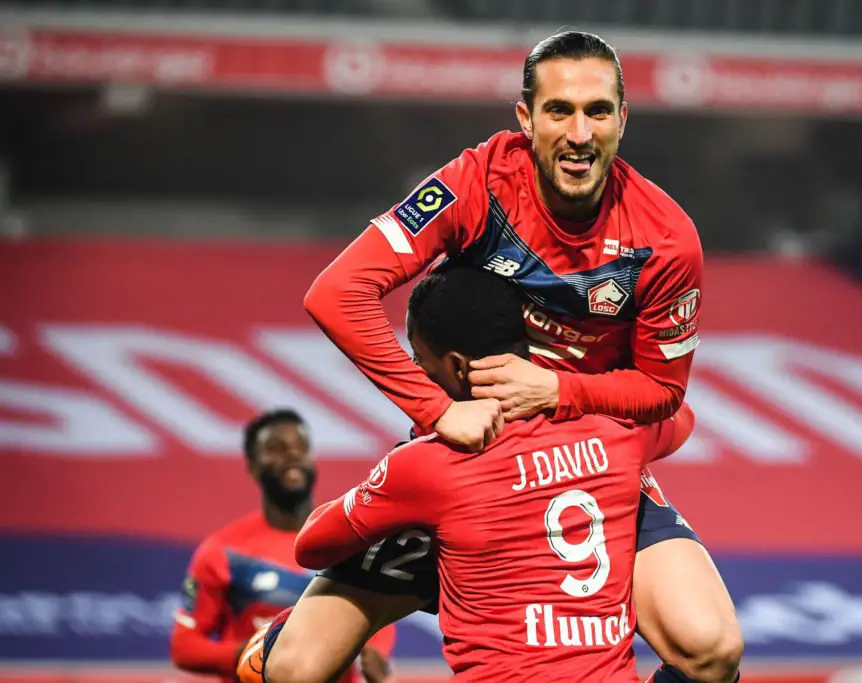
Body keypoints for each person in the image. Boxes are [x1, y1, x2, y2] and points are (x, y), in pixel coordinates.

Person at [301, 30, 743, 683]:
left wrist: (557, 391)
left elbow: (663, 393)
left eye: (597, 112)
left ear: (622, 119)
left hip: (584, 462)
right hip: (470, 463)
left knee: (712, 649)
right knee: (294, 667)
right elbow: (338, 292)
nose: (580, 133)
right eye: (559, 110)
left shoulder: (666, 239)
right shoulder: (476, 184)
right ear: (526, 118)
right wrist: (435, 411)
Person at [267, 267, 697, 682]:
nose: (416, 371)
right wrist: (570, 395)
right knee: (710, 655)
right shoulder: (616, 434)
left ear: (458, 367)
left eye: (419, 358)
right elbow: (678, 417)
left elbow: (311, 546)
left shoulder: (428, 463)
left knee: (282, 665)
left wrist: (382, 486)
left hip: (436, 532)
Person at [169, 409, 395, 683]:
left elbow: (378, 610)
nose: (293, 454)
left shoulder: (350, 538)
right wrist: (257, 654)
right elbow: (185, 647)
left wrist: (375, 652)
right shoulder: (222, 552)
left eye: (301, 446)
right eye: (276, 448)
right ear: (253, 466)